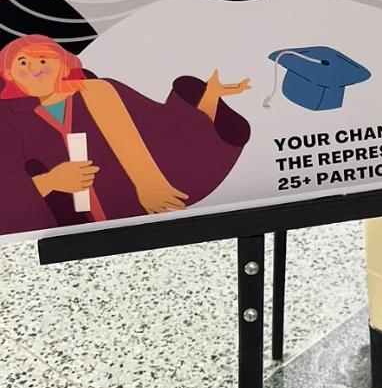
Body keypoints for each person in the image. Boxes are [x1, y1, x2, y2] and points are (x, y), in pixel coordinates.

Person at [0, 34, 252, 237]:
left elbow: (128, 138)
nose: (35, 68)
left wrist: (150, 185)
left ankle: (200, 102)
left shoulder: (93, 90)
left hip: (128, 196)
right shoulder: (15, 121)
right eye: (22, 63)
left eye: (43, 59)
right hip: (76, 223)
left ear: (63, 64)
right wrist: (50, 181)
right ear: (9, 74)